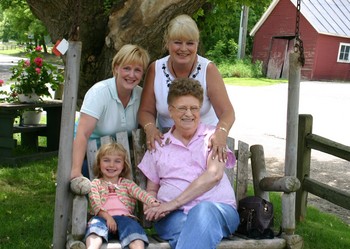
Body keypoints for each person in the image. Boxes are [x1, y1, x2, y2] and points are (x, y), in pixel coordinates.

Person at [138, 78, 240, 249]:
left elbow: (214, 175)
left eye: (194, 108)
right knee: (194, 232)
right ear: (171, 111)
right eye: (182, 108)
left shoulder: (213, 137)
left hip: (217, 211)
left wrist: (172, 203)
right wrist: (151, 204)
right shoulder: (159, 146)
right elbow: (152, 188)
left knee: (202, 213)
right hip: (173, 217)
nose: (189, 114)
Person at [137, 14, 234, 162]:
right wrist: (150, 128)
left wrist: (220, 132)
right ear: (167, 43)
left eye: (190, 43)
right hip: (168, 145)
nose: (183, 49)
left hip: (204, 146)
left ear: (197, 44)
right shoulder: (155, 69)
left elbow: (227, 112)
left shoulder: (208, 70)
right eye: (177, 42)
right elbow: (145, 111)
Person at [71, 44, 150, 179]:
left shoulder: (141, 95)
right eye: (126, 68)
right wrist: (75, 171)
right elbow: (82, 134)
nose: (132, 75)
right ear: (116, 68)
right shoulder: (99, 92)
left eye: (137, 70)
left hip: (117, 157)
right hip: (87, 154)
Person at [85, 142, 160, 249]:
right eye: (106, 160)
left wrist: (152, 202)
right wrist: (108, 217)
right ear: (99, 164)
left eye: (117, 161)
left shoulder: (127, 183)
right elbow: (95, 203)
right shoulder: (96, 184)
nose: (111, 165)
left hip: (124, 218)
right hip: (102, 218)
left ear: (123, 165)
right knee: (95, 229)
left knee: (133, 229)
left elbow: (141, 193)